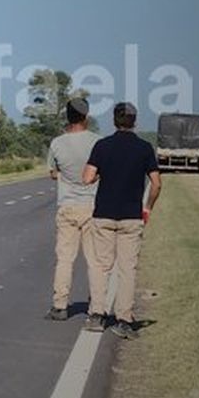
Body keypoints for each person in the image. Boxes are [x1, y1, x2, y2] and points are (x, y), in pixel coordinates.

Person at [82, 101, 161, 339]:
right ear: (135, 121)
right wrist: (147, 207)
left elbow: (87, 178)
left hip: (104, 214)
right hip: (131, 216)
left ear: (114, 121)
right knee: (127, 269)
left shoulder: (102, 146)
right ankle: (124, 319)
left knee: (100, 266)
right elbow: (156, 183)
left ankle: (97, 314)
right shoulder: (145, 148)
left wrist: (100, 175)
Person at [44, 97, 99, 321]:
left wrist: (65, 177)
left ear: (68, 117)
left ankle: (60, 305)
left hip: (67, 205)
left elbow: (51, 172)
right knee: (95, 260)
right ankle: (97, 306)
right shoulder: (98, 142)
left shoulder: (57, 143)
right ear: (86, 116)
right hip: (92, 205)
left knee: (65, 258)